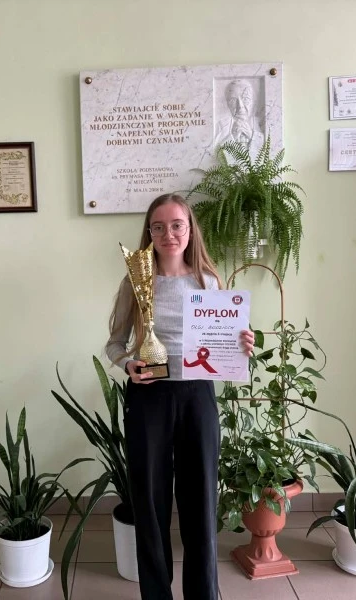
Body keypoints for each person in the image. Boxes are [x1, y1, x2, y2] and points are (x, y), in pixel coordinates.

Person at [106, 193, 255, 600]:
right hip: (148, 397)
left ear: (190, 230)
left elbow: (223, 343)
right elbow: (114, 343)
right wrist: (128, 364)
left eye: (176, 225)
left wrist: (242, 343)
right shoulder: (135, 282)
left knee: (201, 501)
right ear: (149, 232)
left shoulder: (209, 282)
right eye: (158, 227)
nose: (168, 234)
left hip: (197, 397)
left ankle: (203, 594)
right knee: (150, 503)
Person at [213, 79, 265, 158]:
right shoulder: (220, 127)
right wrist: (232, 138)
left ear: (253, 102)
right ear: (227, 103)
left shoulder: (262, 124)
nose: (240, 106)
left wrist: (252, 136)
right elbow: (214, 155)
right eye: (233, 100)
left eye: (246, 99)